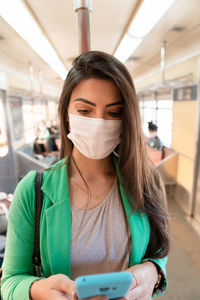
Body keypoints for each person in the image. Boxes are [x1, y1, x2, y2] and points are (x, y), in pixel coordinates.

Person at [1, 51, 169, 300]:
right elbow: (10, 282)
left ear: (127, 120)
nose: (99, 123)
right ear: (67, 115)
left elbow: (158, 251)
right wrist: (37, 290)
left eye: (114, 113)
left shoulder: (146, 181)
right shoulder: (33, 191)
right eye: (85, 110)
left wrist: (152, 271)